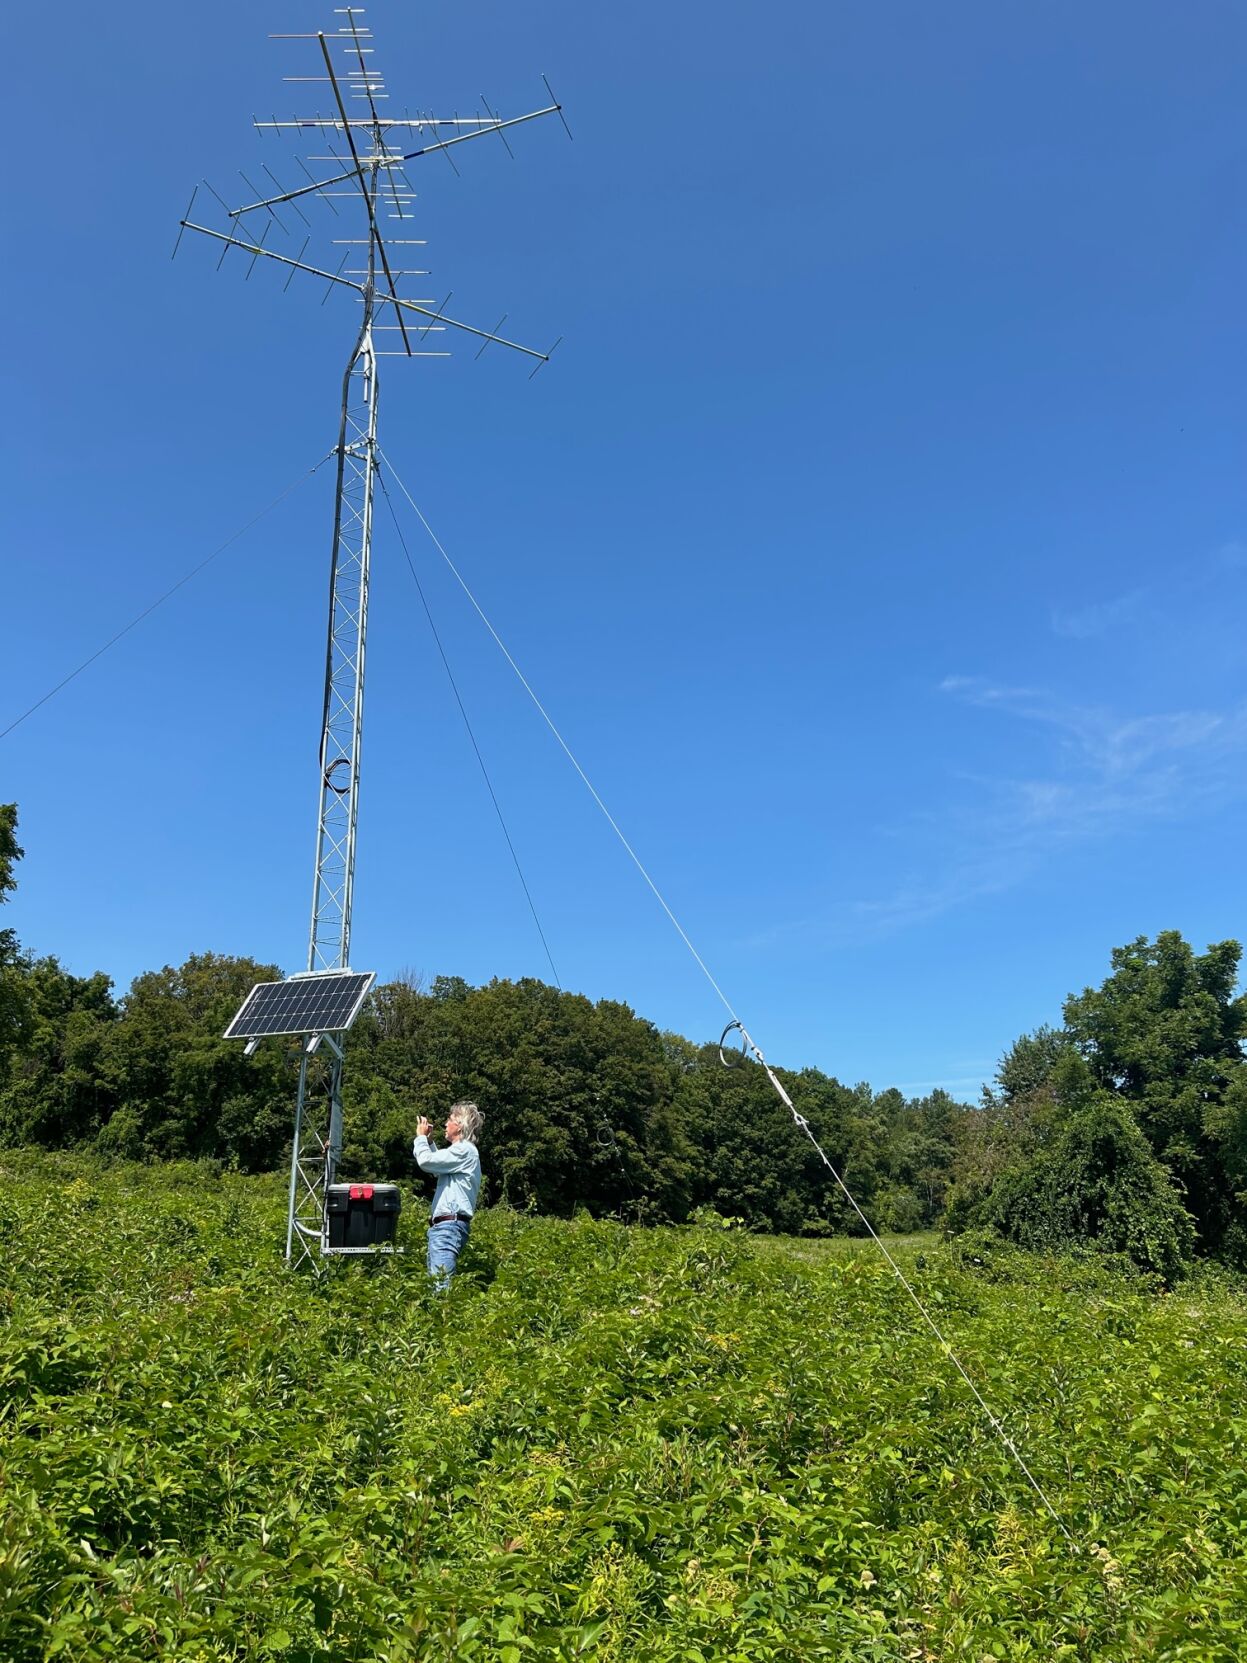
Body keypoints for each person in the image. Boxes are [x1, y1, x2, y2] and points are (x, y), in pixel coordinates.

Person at [413, 1100, 483, 1283]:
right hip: (447, 1226)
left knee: (440, 1284)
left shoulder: (464, 1151)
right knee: (438, 1282)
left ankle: (444, 1311)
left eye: (450, 1119)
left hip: (448, 1226)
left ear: (460, 1126)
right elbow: (438, 1167)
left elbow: (426, 1162)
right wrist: (429, 1142)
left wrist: (420, 1138)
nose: (445, 1124)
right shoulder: (463, 1152)